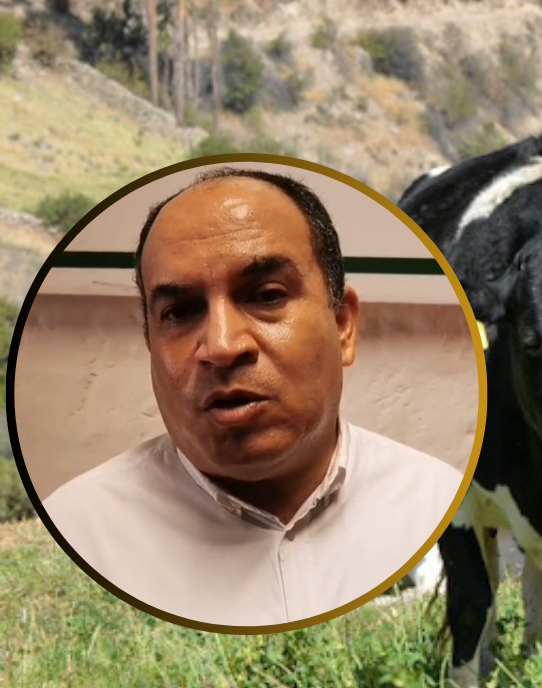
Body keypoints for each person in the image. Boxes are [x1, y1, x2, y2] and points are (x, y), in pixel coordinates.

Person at [42, 168, 464, 626]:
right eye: (180, 312)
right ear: (150, 345)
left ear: (343, 326)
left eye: (266, 295)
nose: (222, 346)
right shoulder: (77, 531)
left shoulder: (436, 501)